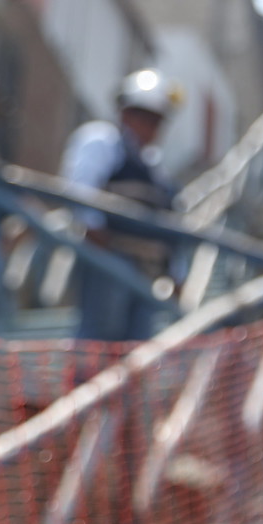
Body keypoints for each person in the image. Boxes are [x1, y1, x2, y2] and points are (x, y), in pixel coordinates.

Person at [59, 69, 181, 341]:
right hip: (108, 258)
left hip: (146, 270)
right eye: (143, 116)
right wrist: (95, 234)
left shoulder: (155, 166)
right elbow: (80, 190)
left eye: (156, 120)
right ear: (125, 112)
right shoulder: (101, 140)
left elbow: (170, 221)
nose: (149, 127)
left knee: (134, 347)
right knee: (99, 339)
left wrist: (175, 273)